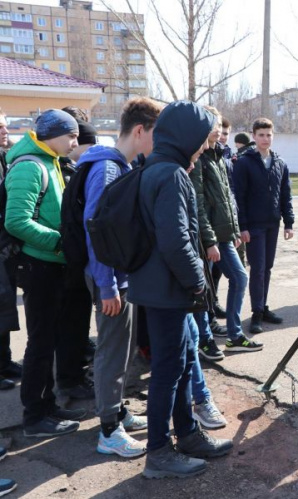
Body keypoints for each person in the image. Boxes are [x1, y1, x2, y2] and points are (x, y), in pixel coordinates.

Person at [128, 101, 232, 479]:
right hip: (168, 292)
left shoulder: (158, 168)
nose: (206, 145)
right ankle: (158, 452)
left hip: (163, 290)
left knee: (185, 361)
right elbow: (175, 242)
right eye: (203, 138)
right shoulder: (170, 175)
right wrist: (198, 283)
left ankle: (187, 433)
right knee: (168, 371)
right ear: (188, 136)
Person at [79, 97, 162, 457]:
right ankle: (108, 432)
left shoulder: (118, 166)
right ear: (140, 131)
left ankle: (118, 411)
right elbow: (95, 230)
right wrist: (107, 285)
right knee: (112, 353)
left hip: (119, 279)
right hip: (109, 281)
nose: (158, 143)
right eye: (156, 135)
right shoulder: (108, 169)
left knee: (123, 350)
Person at [5, 110, 85, 437]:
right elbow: (17, 221)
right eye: (71, 136)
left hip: (51, 264)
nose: (75, 142)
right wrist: (59, 243)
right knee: (40, 343)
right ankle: (35, 417)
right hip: (39, 267)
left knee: (48, 340)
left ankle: (47, 405)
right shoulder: (30, 166)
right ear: (51, 135)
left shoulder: (50, 160)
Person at [190, 106, 256, 355]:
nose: (218, 130)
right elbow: (198, 203)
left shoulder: (219, 155)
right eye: (213, 125)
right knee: (205, 286)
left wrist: (236, 230)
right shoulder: (198, 158)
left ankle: (233, 335)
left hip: (224, 235)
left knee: (238, 278)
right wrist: (209, 240)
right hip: (209, 237)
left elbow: (228, 198)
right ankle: (206, 338)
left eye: (219, 126)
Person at [233, 118, 294, 334]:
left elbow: (285, 194)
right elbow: (238, 197)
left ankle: (263, 306)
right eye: (261, 135)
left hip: (272, 224)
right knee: (257, 269)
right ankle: (256, 314)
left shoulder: (280, 163)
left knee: (267, 268)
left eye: (269, 134)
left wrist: (289, 222)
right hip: (253, 226)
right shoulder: (244, 162)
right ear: (253, 136)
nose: (265, 139)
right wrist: (243, 227)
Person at [55, 117, 99, 401]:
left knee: (78, 321)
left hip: (76, 258)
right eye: (85, 144)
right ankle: (70, 380)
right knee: (70, 323)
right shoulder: (64, 170)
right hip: (68, 260)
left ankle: (75, 372)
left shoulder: (75, 169)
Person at [0, 109, 21, 391]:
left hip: (5, 246)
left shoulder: (6, 158)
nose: (5, 131)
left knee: (4, 306)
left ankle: (4, 362)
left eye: (5, 125)